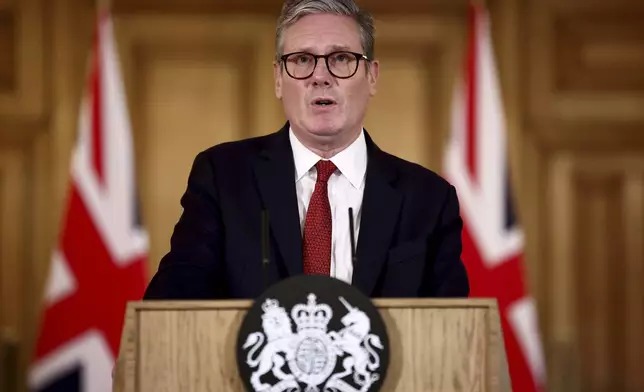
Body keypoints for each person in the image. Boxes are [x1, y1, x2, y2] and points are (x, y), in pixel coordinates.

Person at [143, 0, 469, 300]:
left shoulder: (428, 199)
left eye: (341, 58)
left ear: (372, 76)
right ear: (278, 79)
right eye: (302, 60)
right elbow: (173, 302)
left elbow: (454, 333)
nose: (320, 76)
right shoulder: (223, 178)